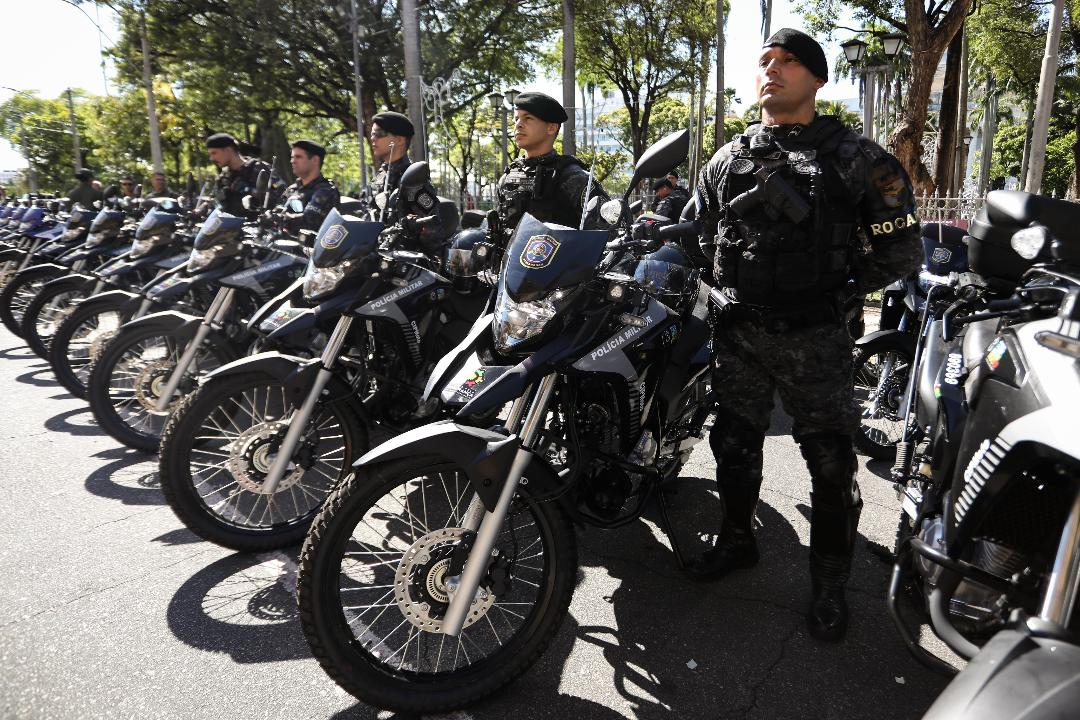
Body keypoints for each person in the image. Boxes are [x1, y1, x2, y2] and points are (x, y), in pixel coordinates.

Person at [689, 28, 922, 642]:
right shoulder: (728, 159)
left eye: (789, 62)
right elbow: (699, 234)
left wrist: (839, 295)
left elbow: (900, 251)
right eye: (765, 61)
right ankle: (739, 541)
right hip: (739, 331)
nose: (773, 70)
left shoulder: (858, 159)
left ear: (817, 79)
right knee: (734, 442)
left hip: (815, 337)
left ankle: (828, 583)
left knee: (828, 458)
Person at [493, 91, 610, 245]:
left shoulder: (575, 178)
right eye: (516, 119)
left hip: (563, 267)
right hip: (510, 268)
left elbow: (606, 233)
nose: (518, 125)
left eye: (528, 118)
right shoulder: (508, 177)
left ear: (551, 128)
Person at [367, 111, 446, 254]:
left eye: (378, 134)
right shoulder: (381, 175)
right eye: (372, 134)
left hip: (403, 264)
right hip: (374, 255)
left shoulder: (413, 178)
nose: (373, 139)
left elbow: (433, 232)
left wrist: (412, 228)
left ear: (399, 139)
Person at [206, 132, 279, 218]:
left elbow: (279, 196)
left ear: (228, 150)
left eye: (214, 153)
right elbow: (213, 200)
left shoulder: (258, 169)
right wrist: (200, 210)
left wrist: (249, 190)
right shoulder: (224, 176)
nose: (212, 158)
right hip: (230, 228)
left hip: (257, 227)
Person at [279, 139, 340, 233]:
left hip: (308, 246)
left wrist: (279, 218)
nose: (292, 161)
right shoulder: (292, 189)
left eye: (298, 157)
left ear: (315, 160)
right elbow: (277, 211)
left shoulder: (326, 190)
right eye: (292, 157)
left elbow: (308, 222)